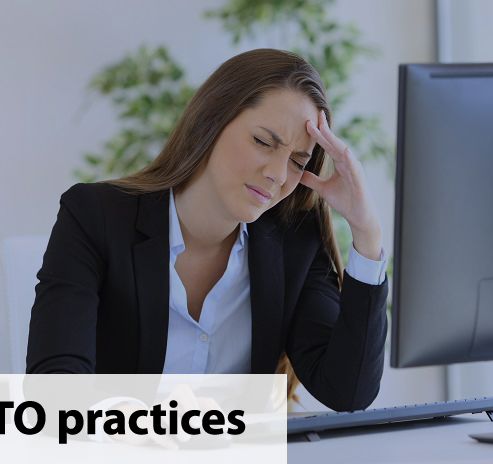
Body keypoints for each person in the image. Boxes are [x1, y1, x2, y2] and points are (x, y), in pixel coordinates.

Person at [26, 48, 388, 415]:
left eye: (297, 161)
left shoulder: (294, 239)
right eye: (263, 142)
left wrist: (366, 232)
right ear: (211, 120)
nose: (278, 175)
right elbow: (54, 387)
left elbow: (348, 392)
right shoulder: (95, 216)